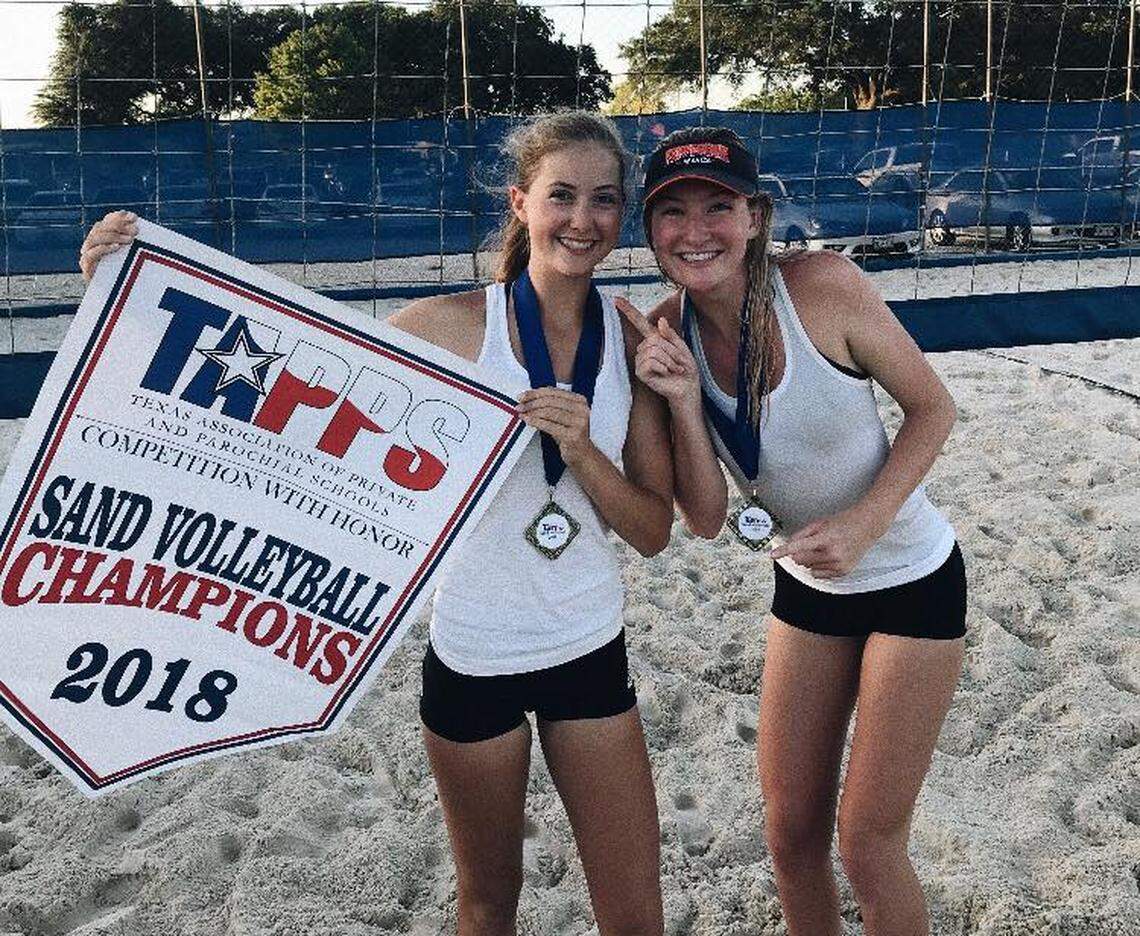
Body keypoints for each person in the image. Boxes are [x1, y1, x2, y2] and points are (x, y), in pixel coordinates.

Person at [80, 111, 673, 936]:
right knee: (487, 904)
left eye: (604, 199)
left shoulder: (632, 339)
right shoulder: (449, 326)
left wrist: (581, 452)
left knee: (635, 914)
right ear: (520, 203)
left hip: (588, 648)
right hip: (473, 656)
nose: (583, 219)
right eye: (561, 195)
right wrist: (130, 291)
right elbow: (283, 372)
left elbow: (652, 530)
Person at [625, 126, 966, 936]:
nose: (696, 230)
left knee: (868, 842)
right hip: (807, 590)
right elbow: (705, 518)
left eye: (717, 207)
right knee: (788, 833)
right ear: (651, 232)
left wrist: (864, 523)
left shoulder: (821, 286)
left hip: (911, 580)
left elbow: (934, 408)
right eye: (673, 211)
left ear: (755, 217)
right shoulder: (664, 336)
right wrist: (682, 403)